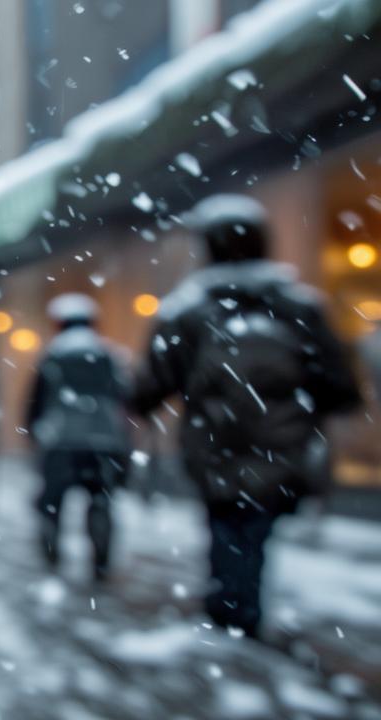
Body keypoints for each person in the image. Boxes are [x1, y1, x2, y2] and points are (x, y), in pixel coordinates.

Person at [131, 194, 361, 638]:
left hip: (212, 442)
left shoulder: (187, 311)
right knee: (256, 527)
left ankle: (227, 606)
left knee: (223, 523)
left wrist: (141, 404)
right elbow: (338, 384)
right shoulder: (299, 307)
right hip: (280, 444)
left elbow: (154, 382)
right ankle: (242, 606)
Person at [26, 293, 131, 581]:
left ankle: (51, 553)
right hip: (103, 441)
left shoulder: (54, 355)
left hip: (61, 440)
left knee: (52, 502)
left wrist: (33, 432)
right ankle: (101, 560)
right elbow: (124, 398)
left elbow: (36, 402)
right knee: (101, 501)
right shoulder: (108, 356)